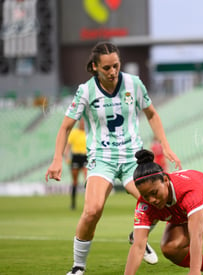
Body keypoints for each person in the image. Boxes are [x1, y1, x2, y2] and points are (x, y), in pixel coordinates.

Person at [45, 41, 181, 275]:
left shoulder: (134, 84)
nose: (113, 72)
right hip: (102, 157)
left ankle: (136, 234)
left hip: (133, 158)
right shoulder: (86, 90)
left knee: (161, 202)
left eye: (116, 66)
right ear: (95, 67)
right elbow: (66, 126)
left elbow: (152, 114)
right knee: (92, 210)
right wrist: (57, 159)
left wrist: (165, 146)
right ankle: (78, 267)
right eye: (107, 68)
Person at [64, 118, 88, 210]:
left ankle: (88, 203)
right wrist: (66, 156)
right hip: (76, 157)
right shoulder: (74, 133)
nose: (82, 124)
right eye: (81, 122)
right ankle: (73, 203)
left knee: (87, 180)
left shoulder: (88, 132)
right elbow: (68, 145)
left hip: (85, 157)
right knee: (75, 181)